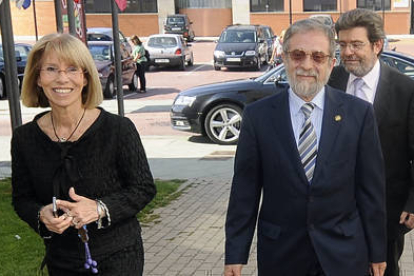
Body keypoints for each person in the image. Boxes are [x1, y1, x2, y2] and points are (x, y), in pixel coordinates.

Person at [224, 18, 387, 276]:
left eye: (318, 57)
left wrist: (378, 251)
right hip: (282, 255)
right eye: (298, 55)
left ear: (331, 64)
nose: (307, 65)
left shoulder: (359, 114)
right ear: (285, 59)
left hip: (343, 254)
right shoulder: (258, 116)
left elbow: (371, 191)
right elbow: (244, 191)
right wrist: (235, 254)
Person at [11, 33, 156, 275]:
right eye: (51, 69)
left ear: (85, 77)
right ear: (38, 78)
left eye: (72, 69)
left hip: (119, 256)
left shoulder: (118, 129)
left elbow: (143, 188)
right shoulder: (25, 138)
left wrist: (100, 208)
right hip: (61, 259)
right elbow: (22, 199)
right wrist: (41, 214)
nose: (62, 78)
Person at [328, 9, 414, 276]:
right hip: (335, 211)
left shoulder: (406, 90)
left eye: (356, 44)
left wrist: (413, 202)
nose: (347, 52)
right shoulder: (331, 82)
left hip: (386, 210)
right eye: (342, 45)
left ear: (377, 45)